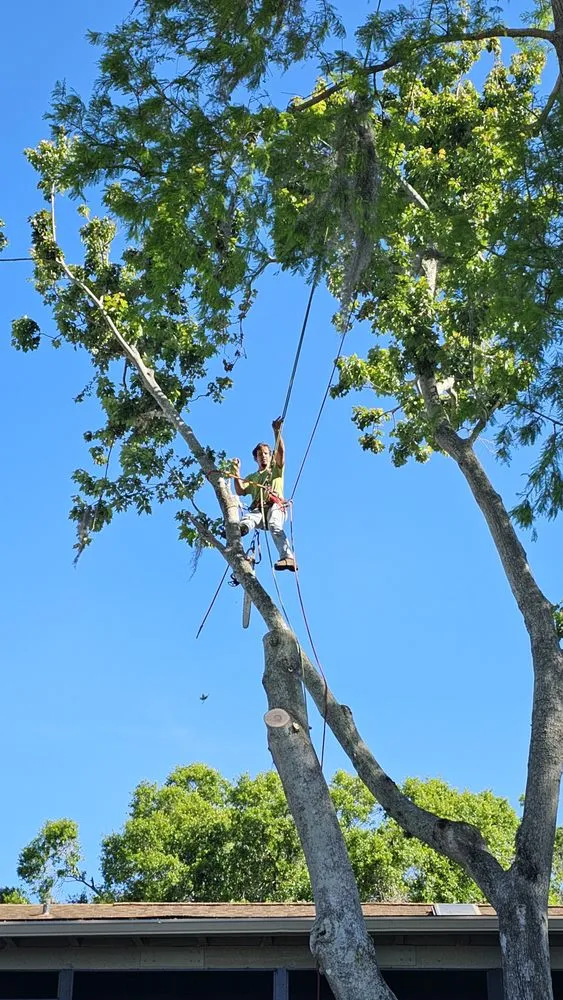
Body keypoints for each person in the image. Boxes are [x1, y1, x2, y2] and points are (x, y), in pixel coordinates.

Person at [231, 417, 297, 572]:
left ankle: (288, 557)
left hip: (275, 506)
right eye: (260, 454)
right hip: (259, 510)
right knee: (250, 518)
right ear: (256, 458)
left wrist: (277, 432)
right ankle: (241, 529)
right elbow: (240, 490)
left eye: (266, 453)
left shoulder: (276, 470)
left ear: (270, 455)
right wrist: (236, 472)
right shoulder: (253, 477)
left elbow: (280, 452)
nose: (264, 456)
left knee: (275, 525)